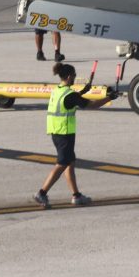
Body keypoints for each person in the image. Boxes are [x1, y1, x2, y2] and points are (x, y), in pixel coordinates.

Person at [34, 62, 116, 208]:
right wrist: (109, 98)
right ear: (69, 76)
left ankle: (76, 195)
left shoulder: (58, 90)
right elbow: (91, 105)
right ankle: (42, 193)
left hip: (56, 131)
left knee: (69, 163)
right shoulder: (70, 95)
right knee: (62, 163)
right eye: (75, 76)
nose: (75, 78)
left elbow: (70, 100)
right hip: (64, 132)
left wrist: (83, 91)